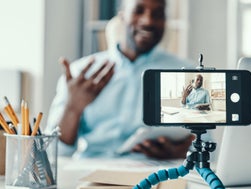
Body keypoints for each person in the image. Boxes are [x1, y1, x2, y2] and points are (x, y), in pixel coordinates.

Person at [46, 0, 195, 159]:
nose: (148, 21)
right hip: (91, 171)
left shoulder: (186, 74)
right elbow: (54, 153)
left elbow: (208, 151)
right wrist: (72, 108)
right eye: (138, 10)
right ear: (122, 16)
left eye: (158, 14)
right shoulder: (81, 73)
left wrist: (179, 152)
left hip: (157, 175)